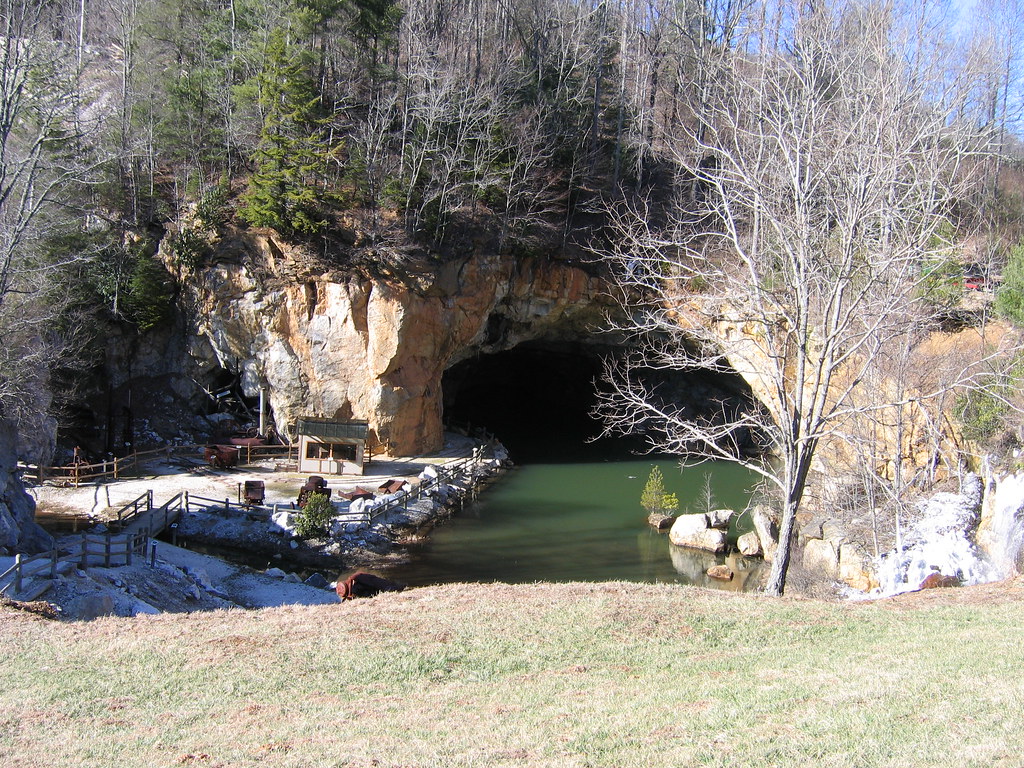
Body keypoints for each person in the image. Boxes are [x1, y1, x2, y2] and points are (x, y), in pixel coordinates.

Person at [335, 571, 405, 601]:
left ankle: (399, 586)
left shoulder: (358, 579)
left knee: (388, 587)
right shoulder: (356, 578)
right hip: (375, 588)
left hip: (378, 586)